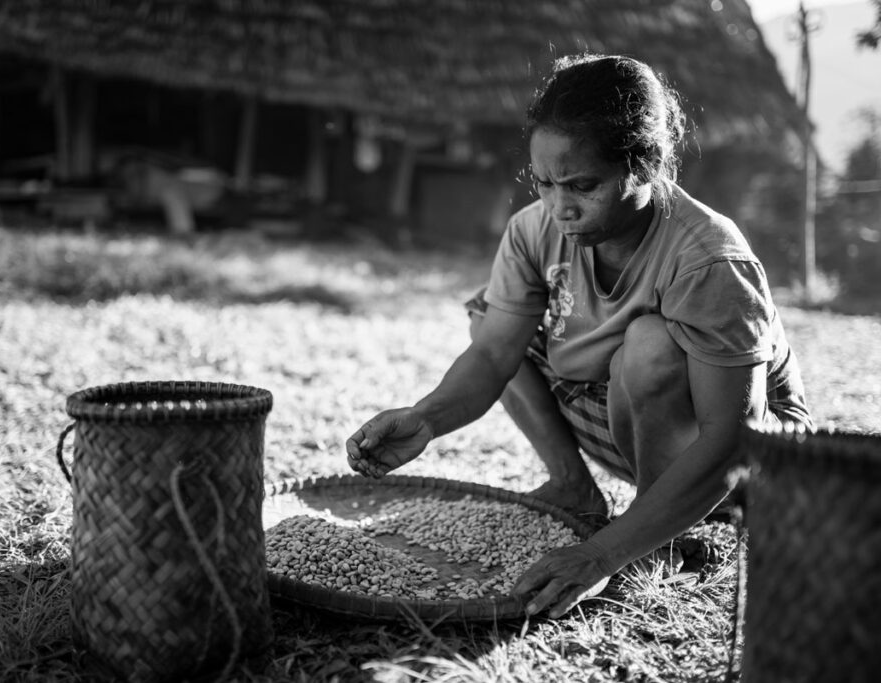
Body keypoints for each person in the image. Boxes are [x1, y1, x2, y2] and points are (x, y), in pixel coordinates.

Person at [345, 54, 814, 619]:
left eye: (583, 185)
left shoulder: (708, 259)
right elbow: (494, 355)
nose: (559, 206)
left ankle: (653, 533)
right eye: (543, 183)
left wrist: (602, 555)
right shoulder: (535, 230)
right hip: (629, 424)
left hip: (745, 459)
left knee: (650, 345)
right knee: (492, 319)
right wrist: (427, 417)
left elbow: (731, 439)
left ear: (646, 165)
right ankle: (572, 485)